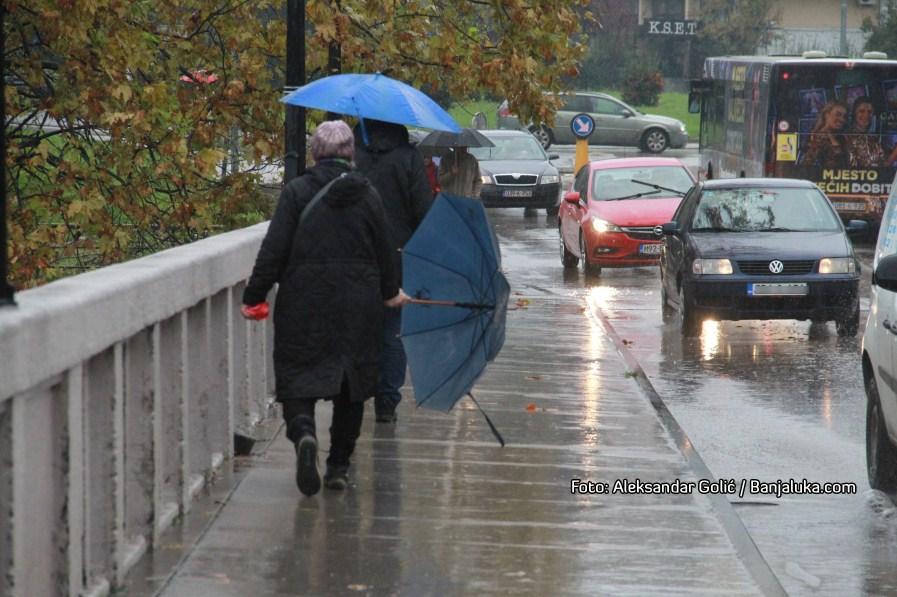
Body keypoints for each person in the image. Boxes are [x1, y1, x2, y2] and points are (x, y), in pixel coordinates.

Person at [241, 120, 407, 496]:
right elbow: (386, 250)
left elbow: (273, 250)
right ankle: (338, 466)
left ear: (316, 153)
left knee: (297, 374)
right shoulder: (369, 196)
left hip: (303, 300)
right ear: (351, 153)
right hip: (358, 306)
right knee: (352, 386)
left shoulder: (297, 192)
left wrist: (254, 295)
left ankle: (303, 433)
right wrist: (390, 291)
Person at [353, 119, 434, 423]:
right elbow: (423, 211)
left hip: (356, 255)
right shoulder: (407, 157)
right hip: (397, 257)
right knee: (393, 330)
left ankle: (356, 392)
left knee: (358, 328)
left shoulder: (353, 154)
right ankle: (387, 401)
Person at [844, 96, 897, 167]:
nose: (866, 115)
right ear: (854, 113)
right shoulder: (847, 136)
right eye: (861, 111)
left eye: (869, 112)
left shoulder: (872, 137)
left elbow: (883, 162)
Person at [798, 100, 848, 168]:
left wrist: (831, 137)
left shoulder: (844, 137)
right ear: (827, 115)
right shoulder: (812, 135)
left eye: (844, 116)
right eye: (838, 114)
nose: (842, 119)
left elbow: (841, 161)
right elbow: (805, 162)